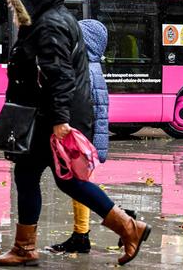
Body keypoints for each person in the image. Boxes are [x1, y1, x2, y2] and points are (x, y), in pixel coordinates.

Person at [0, 0, 151, 267]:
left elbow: (59, 74)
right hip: (45, 117)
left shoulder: (49, 25)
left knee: (66, 180)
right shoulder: (48, 21)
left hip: (50, 119)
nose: (15, 5)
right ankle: (25, 247)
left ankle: (129, 227)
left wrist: (60, 120)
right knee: (30, 174)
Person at [48, 19, 111, 253]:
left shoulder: (87, 69)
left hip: (83, 137)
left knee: (79, 185)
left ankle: (124, 221)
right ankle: (81, 234)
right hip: (86, 136)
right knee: (79, 185)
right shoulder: (90, 67)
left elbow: (96, 110)